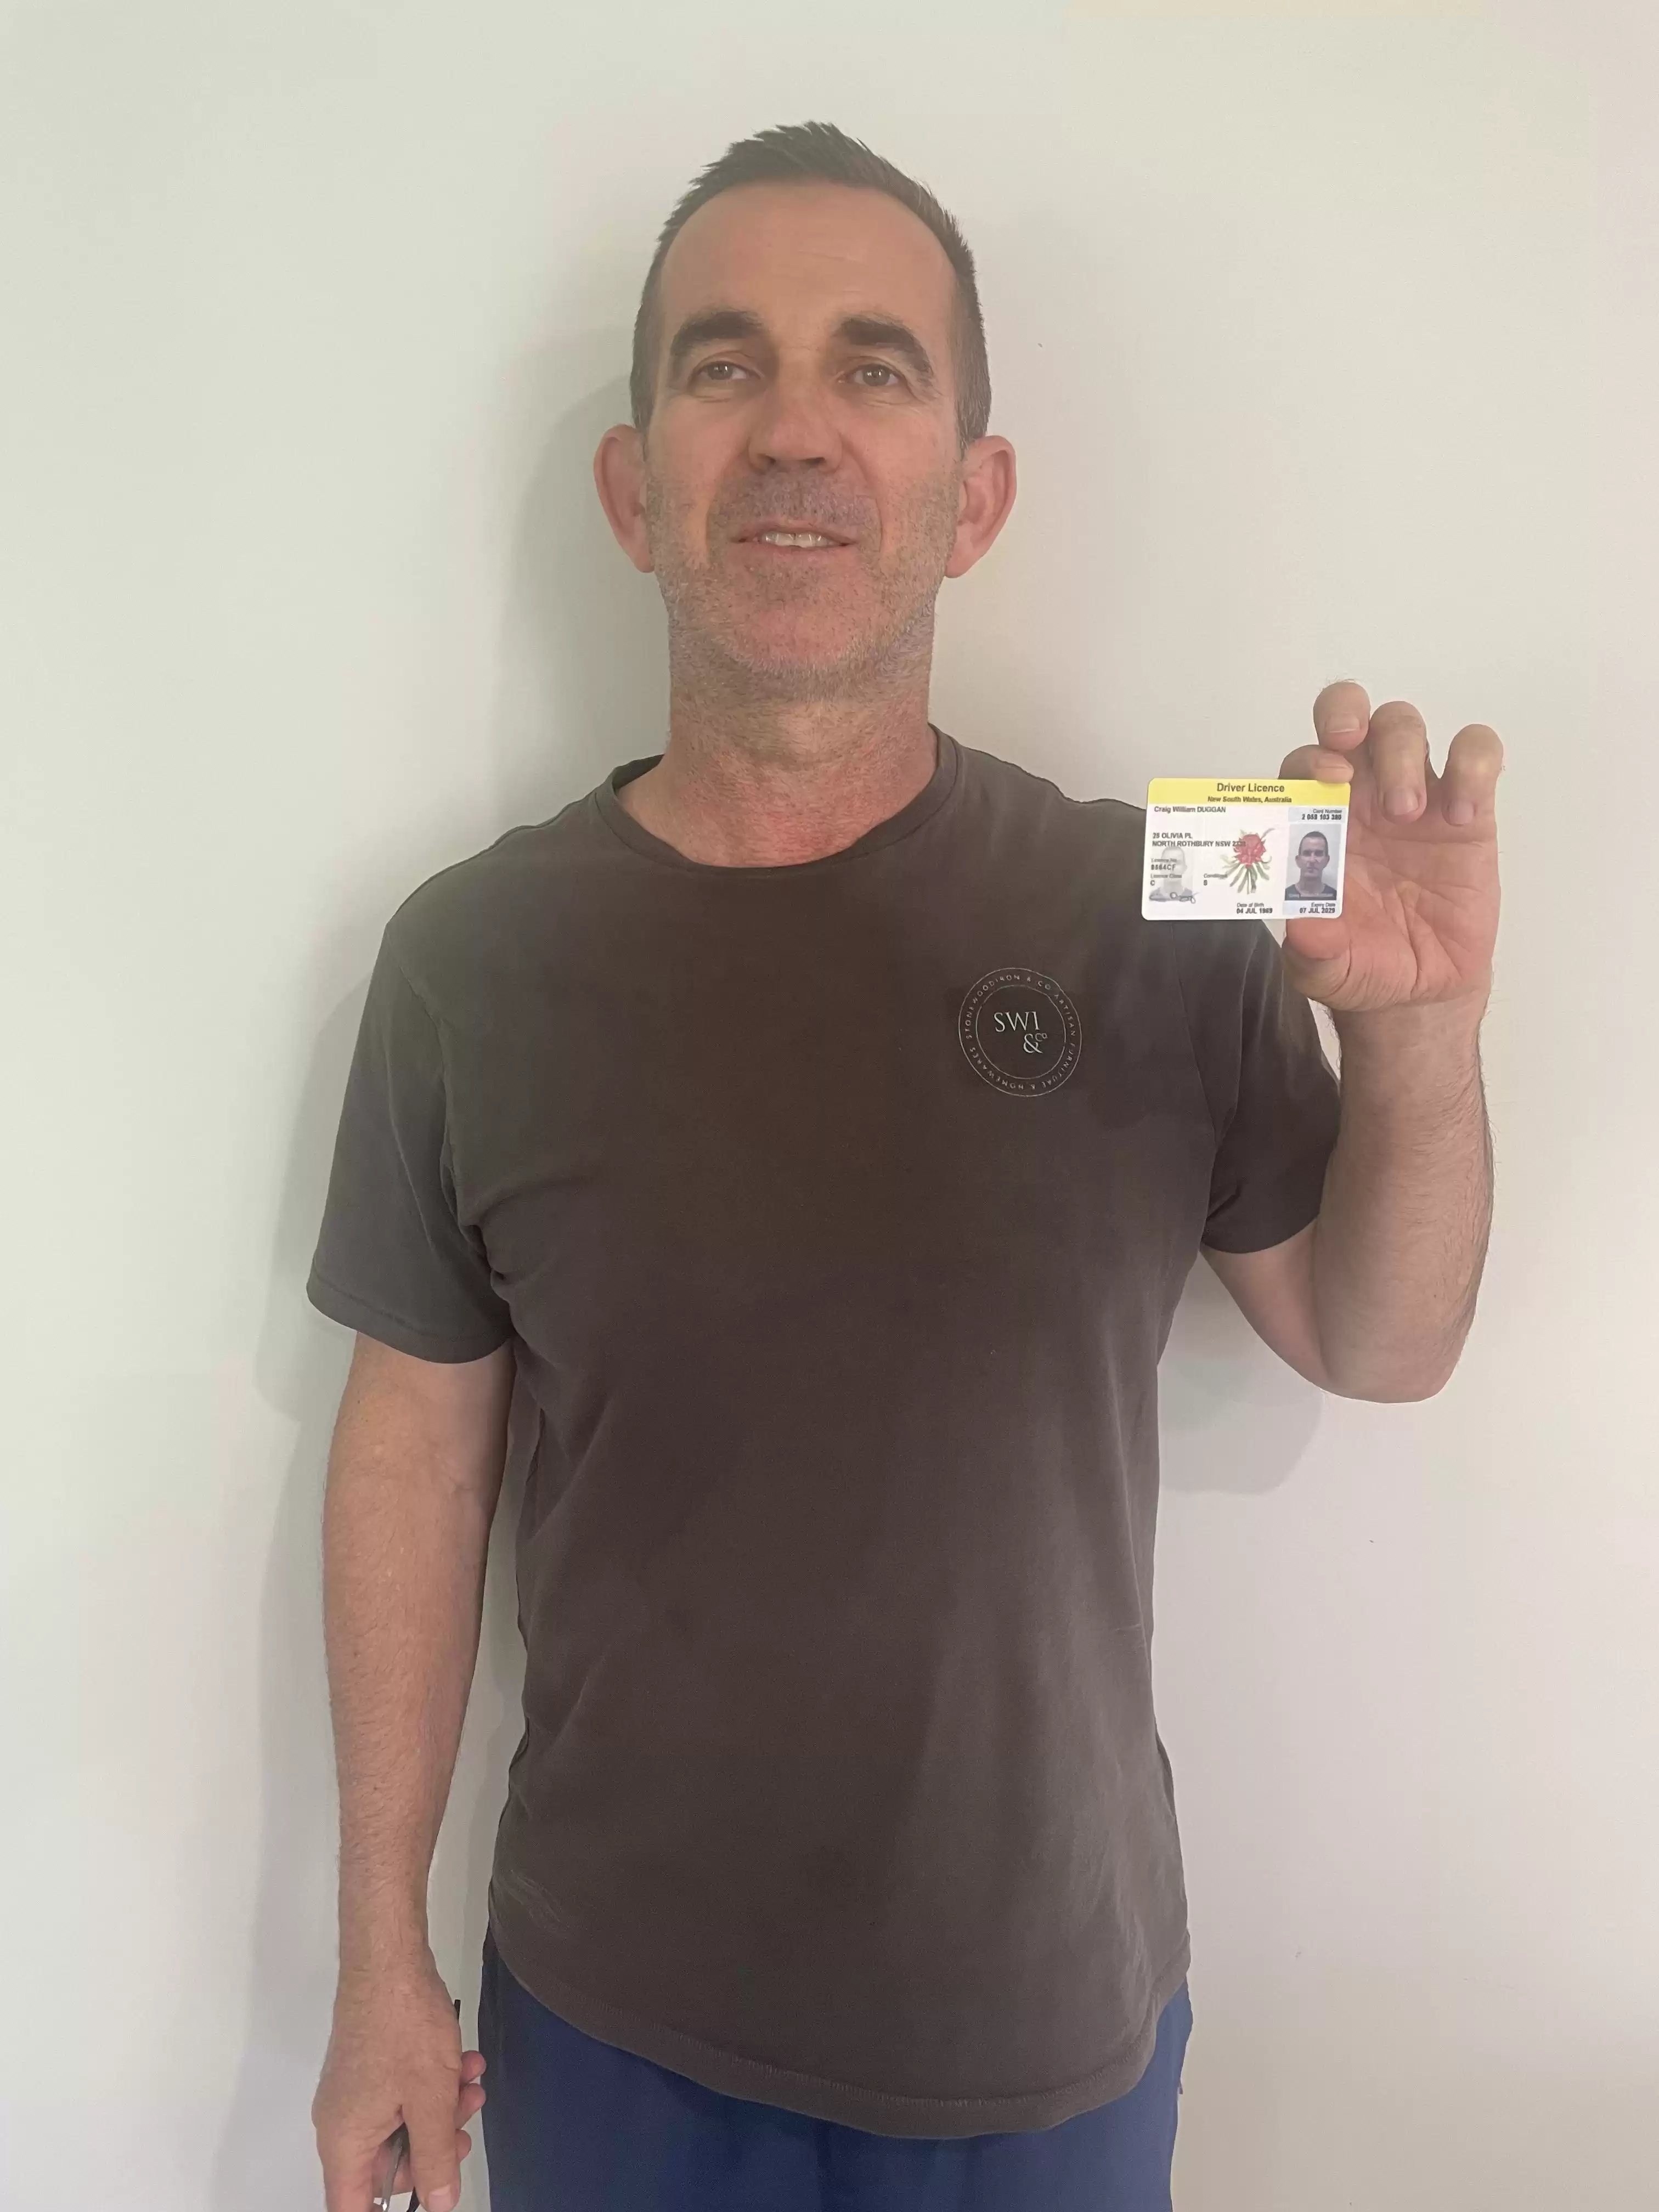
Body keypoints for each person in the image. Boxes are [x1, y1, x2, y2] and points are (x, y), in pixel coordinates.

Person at [304, 121, 1504, 2212]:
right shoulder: (464, 955)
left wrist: (1414, 1043)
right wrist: (374, 1956)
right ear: (634, 490)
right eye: (722, 365)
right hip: (611, 2025)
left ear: (974, 493)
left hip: (1047, 2045)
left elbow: (1378, 1341)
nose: (794, 429)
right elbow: (411, 1453)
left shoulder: (1169, 885)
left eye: (871, 367)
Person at [1286, 827, 1338, 900]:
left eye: (1319, 854)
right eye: (1307, 854)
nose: (1312, 860)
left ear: (1327, 861)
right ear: (1298, 860)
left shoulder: (1335, 897)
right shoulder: (1285, 896)